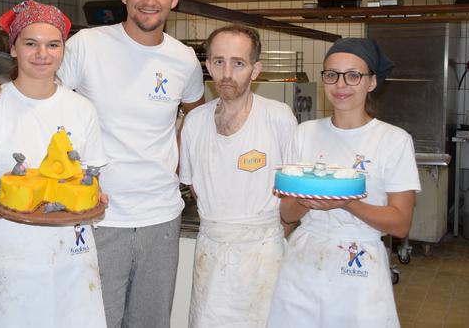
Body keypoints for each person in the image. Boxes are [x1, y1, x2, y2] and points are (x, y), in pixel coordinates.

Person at [0, 0, 205, 328]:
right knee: (95, 318)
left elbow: (196, 115)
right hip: (95, 216)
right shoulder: (88, 45)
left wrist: (183, 165)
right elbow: (41, 89)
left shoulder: (184, 59)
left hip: (161, 214)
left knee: (151, 321)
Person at [0, 0, 108, 327]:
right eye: (31, 43)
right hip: (10, 258)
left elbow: (89, 183)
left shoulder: (83, 110)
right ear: (13, 49)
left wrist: (94, 198)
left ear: (63, 50)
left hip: (71, 259)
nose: (43, 53)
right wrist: (15, 207)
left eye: (53, 45)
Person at [267, 38, 421, 327]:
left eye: (353, 75)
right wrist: (304, 200)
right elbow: (285, 214)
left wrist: (347, 203)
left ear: (372, 82)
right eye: (331, 74)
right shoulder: (304, 133)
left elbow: (401, 223)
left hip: (359, 267)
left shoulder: (393, 140)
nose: (340, 85)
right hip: (303, 263)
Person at [178, 24, 298, 327]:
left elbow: (293, 190)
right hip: (212, 254)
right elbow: (193, 186)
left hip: (263, 257)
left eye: (238, 63)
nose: (227, 73)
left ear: (255, 70)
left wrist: (276, 226)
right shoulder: (194, 122)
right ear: (207, 66)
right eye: (219, 62)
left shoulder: (278, 117)